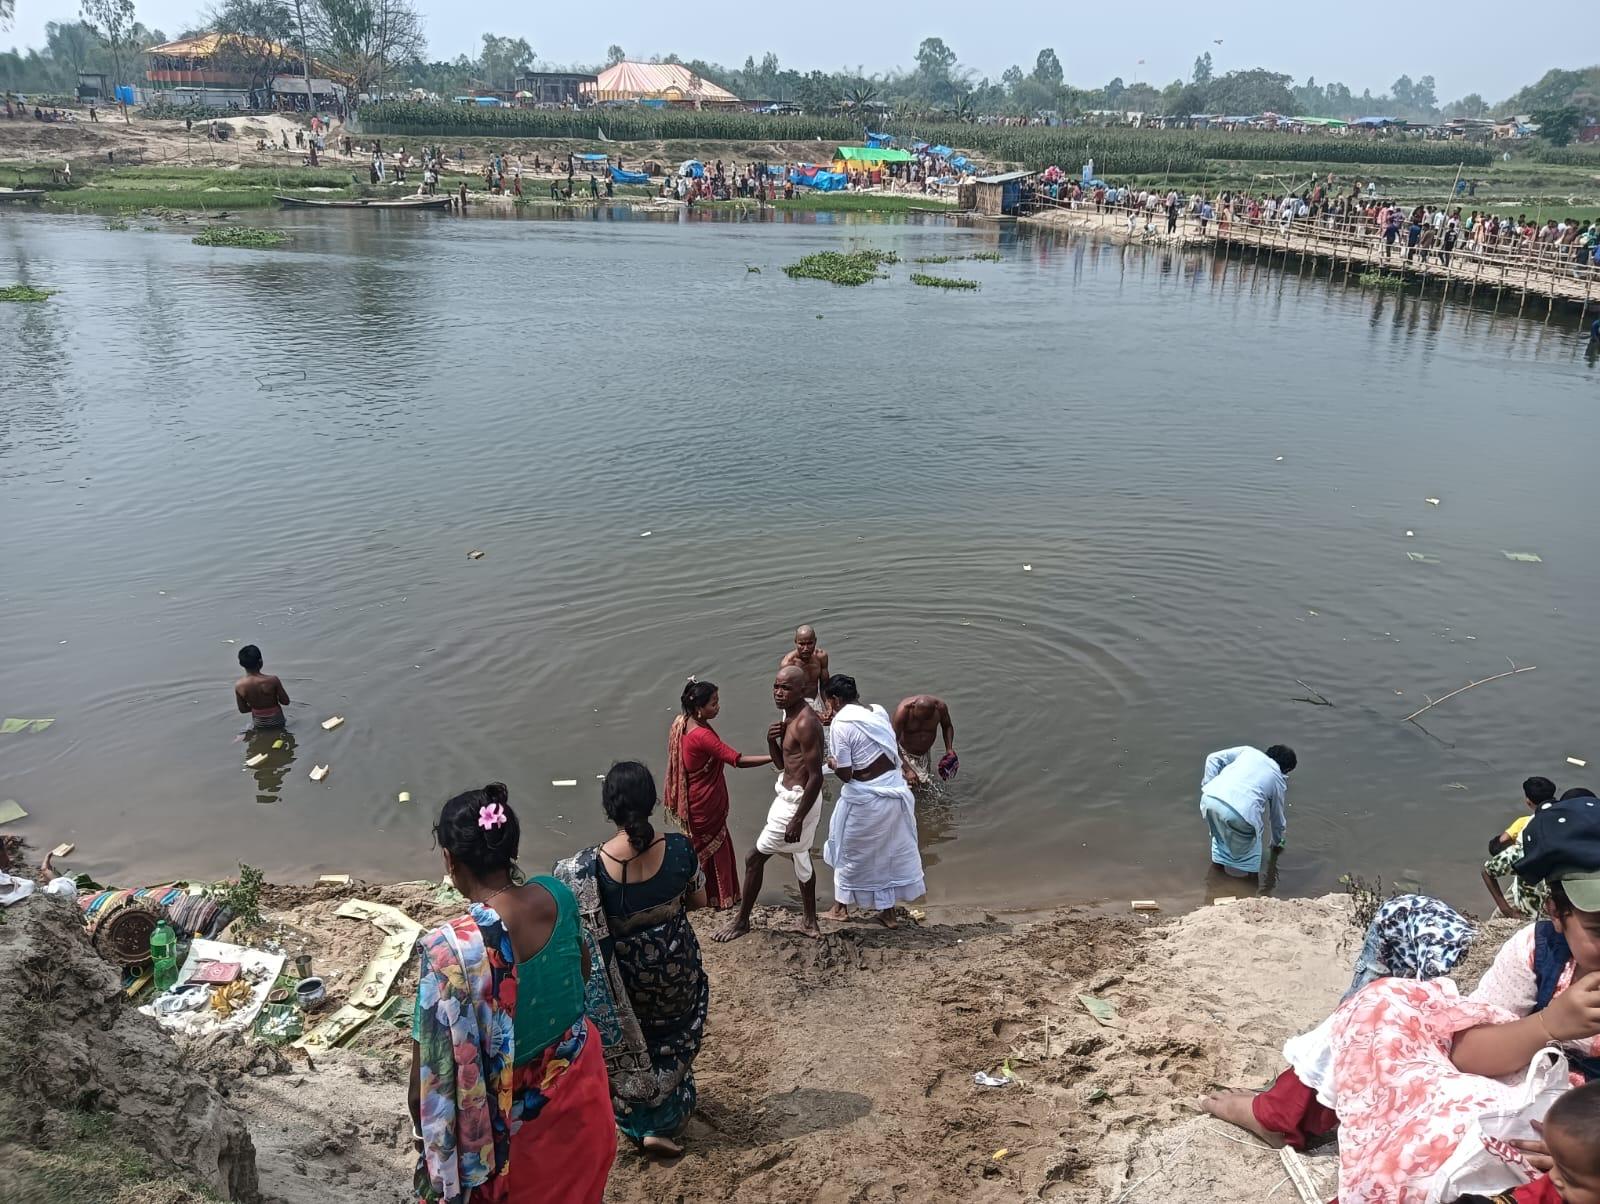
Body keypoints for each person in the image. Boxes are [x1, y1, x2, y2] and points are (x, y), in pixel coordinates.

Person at [1205, 794, 1600, 1197]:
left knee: (1441, 1130)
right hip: (1527, 1086)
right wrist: (1549, 1023)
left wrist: (1581, 1152)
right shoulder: (1537, 950)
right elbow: (1466, 1054)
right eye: (1597, 928)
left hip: (1574, 1139)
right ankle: (1281, 1115)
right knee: (1385, 1003)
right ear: (1555, 911)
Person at [411, 784, 614, 1203]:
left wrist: (426, 1142)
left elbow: (424, 1088)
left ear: (450, 860)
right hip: (582, 1105)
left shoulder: (449, 953)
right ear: (511, 847)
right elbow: (582, 971)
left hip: (513, 1145)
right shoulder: (558, 895)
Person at [554, 762, 709, 1157]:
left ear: (609, 808)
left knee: (633, 1046)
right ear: (654, 802)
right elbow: (700, 901)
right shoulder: (679, 849)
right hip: (677, 978)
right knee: (670, 1038)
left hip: (623, 986)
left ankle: (639, 1120)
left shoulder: (583, 869)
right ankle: (666, 1118)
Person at [713, 666, 825, 942]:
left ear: (802, 691)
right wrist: (771, 740)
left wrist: (797, 818)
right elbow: (782, 764)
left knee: (754, 858)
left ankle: (742, 921)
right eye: (776, 686)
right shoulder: (788, 716)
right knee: (801, 856)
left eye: (785, 688)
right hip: (789, 796)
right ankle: (810, 922)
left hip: (798, 801)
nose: (778, 692)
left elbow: (816, 776)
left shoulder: (806, 723)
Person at [821, 675, 926, 928]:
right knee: (887, 854)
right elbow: (891, 747)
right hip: (893, 791)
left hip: (866, 799)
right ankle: (887, 913)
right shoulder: (877, 711)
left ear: (834, 701)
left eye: (827, 704)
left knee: (849, 851)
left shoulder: (841, 723)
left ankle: (840, 908)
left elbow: (846, 774)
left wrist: (831, 762)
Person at [663, 678, 772, 909]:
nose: (718, 707)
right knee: (715, 848)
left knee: (702, 848)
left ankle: (702, 897)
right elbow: (737, 760)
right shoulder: (703, 736)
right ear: (699, 709)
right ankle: (718, 898)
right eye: (713, 703)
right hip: (705, 803)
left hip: (695, 798)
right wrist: (774, 758)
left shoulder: (683, 723)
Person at [1198, 744, 1295, 878]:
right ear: (1286, 769)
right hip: (1241, 812)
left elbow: (1212, 758)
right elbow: (1277, 819)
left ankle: (1213, 885)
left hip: (1209, 799)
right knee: (1252, 852)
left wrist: (1209, 786)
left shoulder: (1248, 752)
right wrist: (1277, 843)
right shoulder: (1277, 778)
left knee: (1220, 840)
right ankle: (1250, 889)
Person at [1486, 777, 1562, 919]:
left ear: (1528, 801)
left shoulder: (1524, 823)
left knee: (1496, 919)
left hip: (1526, 890)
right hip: (1553, 891)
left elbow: (1497, 845)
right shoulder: (1564, 820)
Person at [892, 695, 957, 787]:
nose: (922, 722)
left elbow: (947, 726)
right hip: (904, 753)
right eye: (919, 718)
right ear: (913, 706)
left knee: (923, 784)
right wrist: (907, 770)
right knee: (907, 787)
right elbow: (892, 742)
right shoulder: (903, 711)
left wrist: (949, 749)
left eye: (926, 719)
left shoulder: (940, 708)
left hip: (924, 754)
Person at [779, 625, 831, 718]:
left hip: (816, 700)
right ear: (795, 642)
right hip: (795, 705)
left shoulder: (821, 657)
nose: (806, 648)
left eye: (809, 643)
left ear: (815, 641)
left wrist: (829, 706)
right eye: (801, 644)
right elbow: (788, 697)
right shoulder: (788, 664)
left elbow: (824, 685)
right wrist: (814, 713)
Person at [234, 645, 289, 729]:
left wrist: (258, 708)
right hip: (277, 721)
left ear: (241, 664)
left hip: (258, 722)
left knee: (255, 730)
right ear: (260, 661)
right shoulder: (273, 680)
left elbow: (243, 710)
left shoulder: (239, 685)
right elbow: (285, 701)